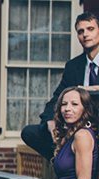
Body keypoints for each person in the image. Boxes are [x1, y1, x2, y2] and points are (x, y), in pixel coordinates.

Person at [21, 12, 99, 160]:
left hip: (95, 127)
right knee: (30, 132)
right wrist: (51, 122)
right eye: (80, 31)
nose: (85, 35)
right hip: (75, 127)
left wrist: (93, 89)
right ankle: (63, 164)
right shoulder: (74, 66)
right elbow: (58, 98)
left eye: (90, 29)